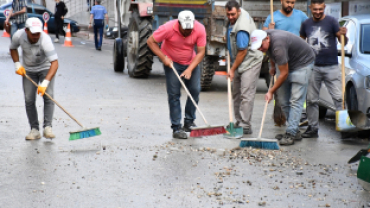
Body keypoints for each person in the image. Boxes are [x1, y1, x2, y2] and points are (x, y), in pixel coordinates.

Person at [147, 10, 206, 139]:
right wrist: (163, 58)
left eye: (190, 28)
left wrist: (190, 69)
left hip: (191, 62)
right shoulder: (168, 28)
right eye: (185, 29)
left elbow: (201, 52)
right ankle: (176, 127)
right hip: (172, 63)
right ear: (179, 23)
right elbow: (150, 41)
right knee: (174, 94)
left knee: (195, 91)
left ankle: (189, 122)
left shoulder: (199, 29)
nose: (187, 31)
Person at [251, 29, 315, 146]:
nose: (260, 49)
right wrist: (272, 66)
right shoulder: (268, 40)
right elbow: (271, 53)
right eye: (258, 48)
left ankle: (290, 133)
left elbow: (284, 73)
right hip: (288, 62)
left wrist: (271, 91)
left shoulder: (278, 46)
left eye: (260, 46)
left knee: (295, 100)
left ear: (267, 39)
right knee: (283, 101)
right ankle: (294, 130)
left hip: (303, 64)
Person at [300, 0, 347, 138]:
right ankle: (313, 128)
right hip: (313, 67)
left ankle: (344, 128)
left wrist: (343, 35)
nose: (318, 12)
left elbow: (343, 41)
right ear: (310, 8)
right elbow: (301, 42)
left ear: (324, 7)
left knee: (338, 98)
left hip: (331, 66)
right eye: (315, 9)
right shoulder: (306, 24)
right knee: (312, 100)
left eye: (320, 9)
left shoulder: (332, 21)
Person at [9, 17, 59, 140]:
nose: (36, 36)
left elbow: (55, 63)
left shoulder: (45, 40)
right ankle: (34, 129)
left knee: (49, 96)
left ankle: (48, 127)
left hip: (45, 68)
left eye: (38, 33)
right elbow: (13, 48)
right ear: (26, 31)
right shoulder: (18, 35)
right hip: (28, 71)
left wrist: (45, 83)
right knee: (29, 99)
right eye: (33, 34)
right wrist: (17, 64)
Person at [225, 0, 263, 134]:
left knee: (246, 93)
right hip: (240, 60)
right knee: (236, 93)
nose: (230, 17)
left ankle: (245, 125)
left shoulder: (241, 27)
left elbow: (242, 51)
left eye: (233, 14)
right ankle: (238, 121)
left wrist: (232, 69)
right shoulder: (235, 19)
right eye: (228, 14)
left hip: (250, 60)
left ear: (239, 11)